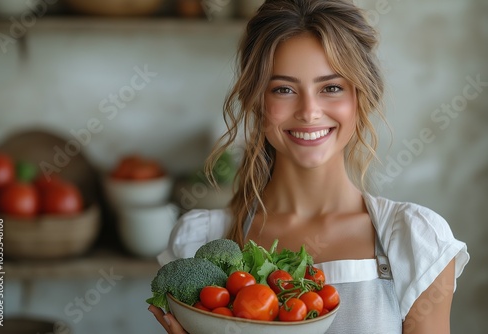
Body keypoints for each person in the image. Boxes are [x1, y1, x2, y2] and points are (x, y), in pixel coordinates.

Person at [148, 0, 469, 333]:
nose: (309, 111)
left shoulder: (415, 241)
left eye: (331, 88)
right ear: (257, 102)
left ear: (360, 97)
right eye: (284, 89)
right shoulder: (200, 241)